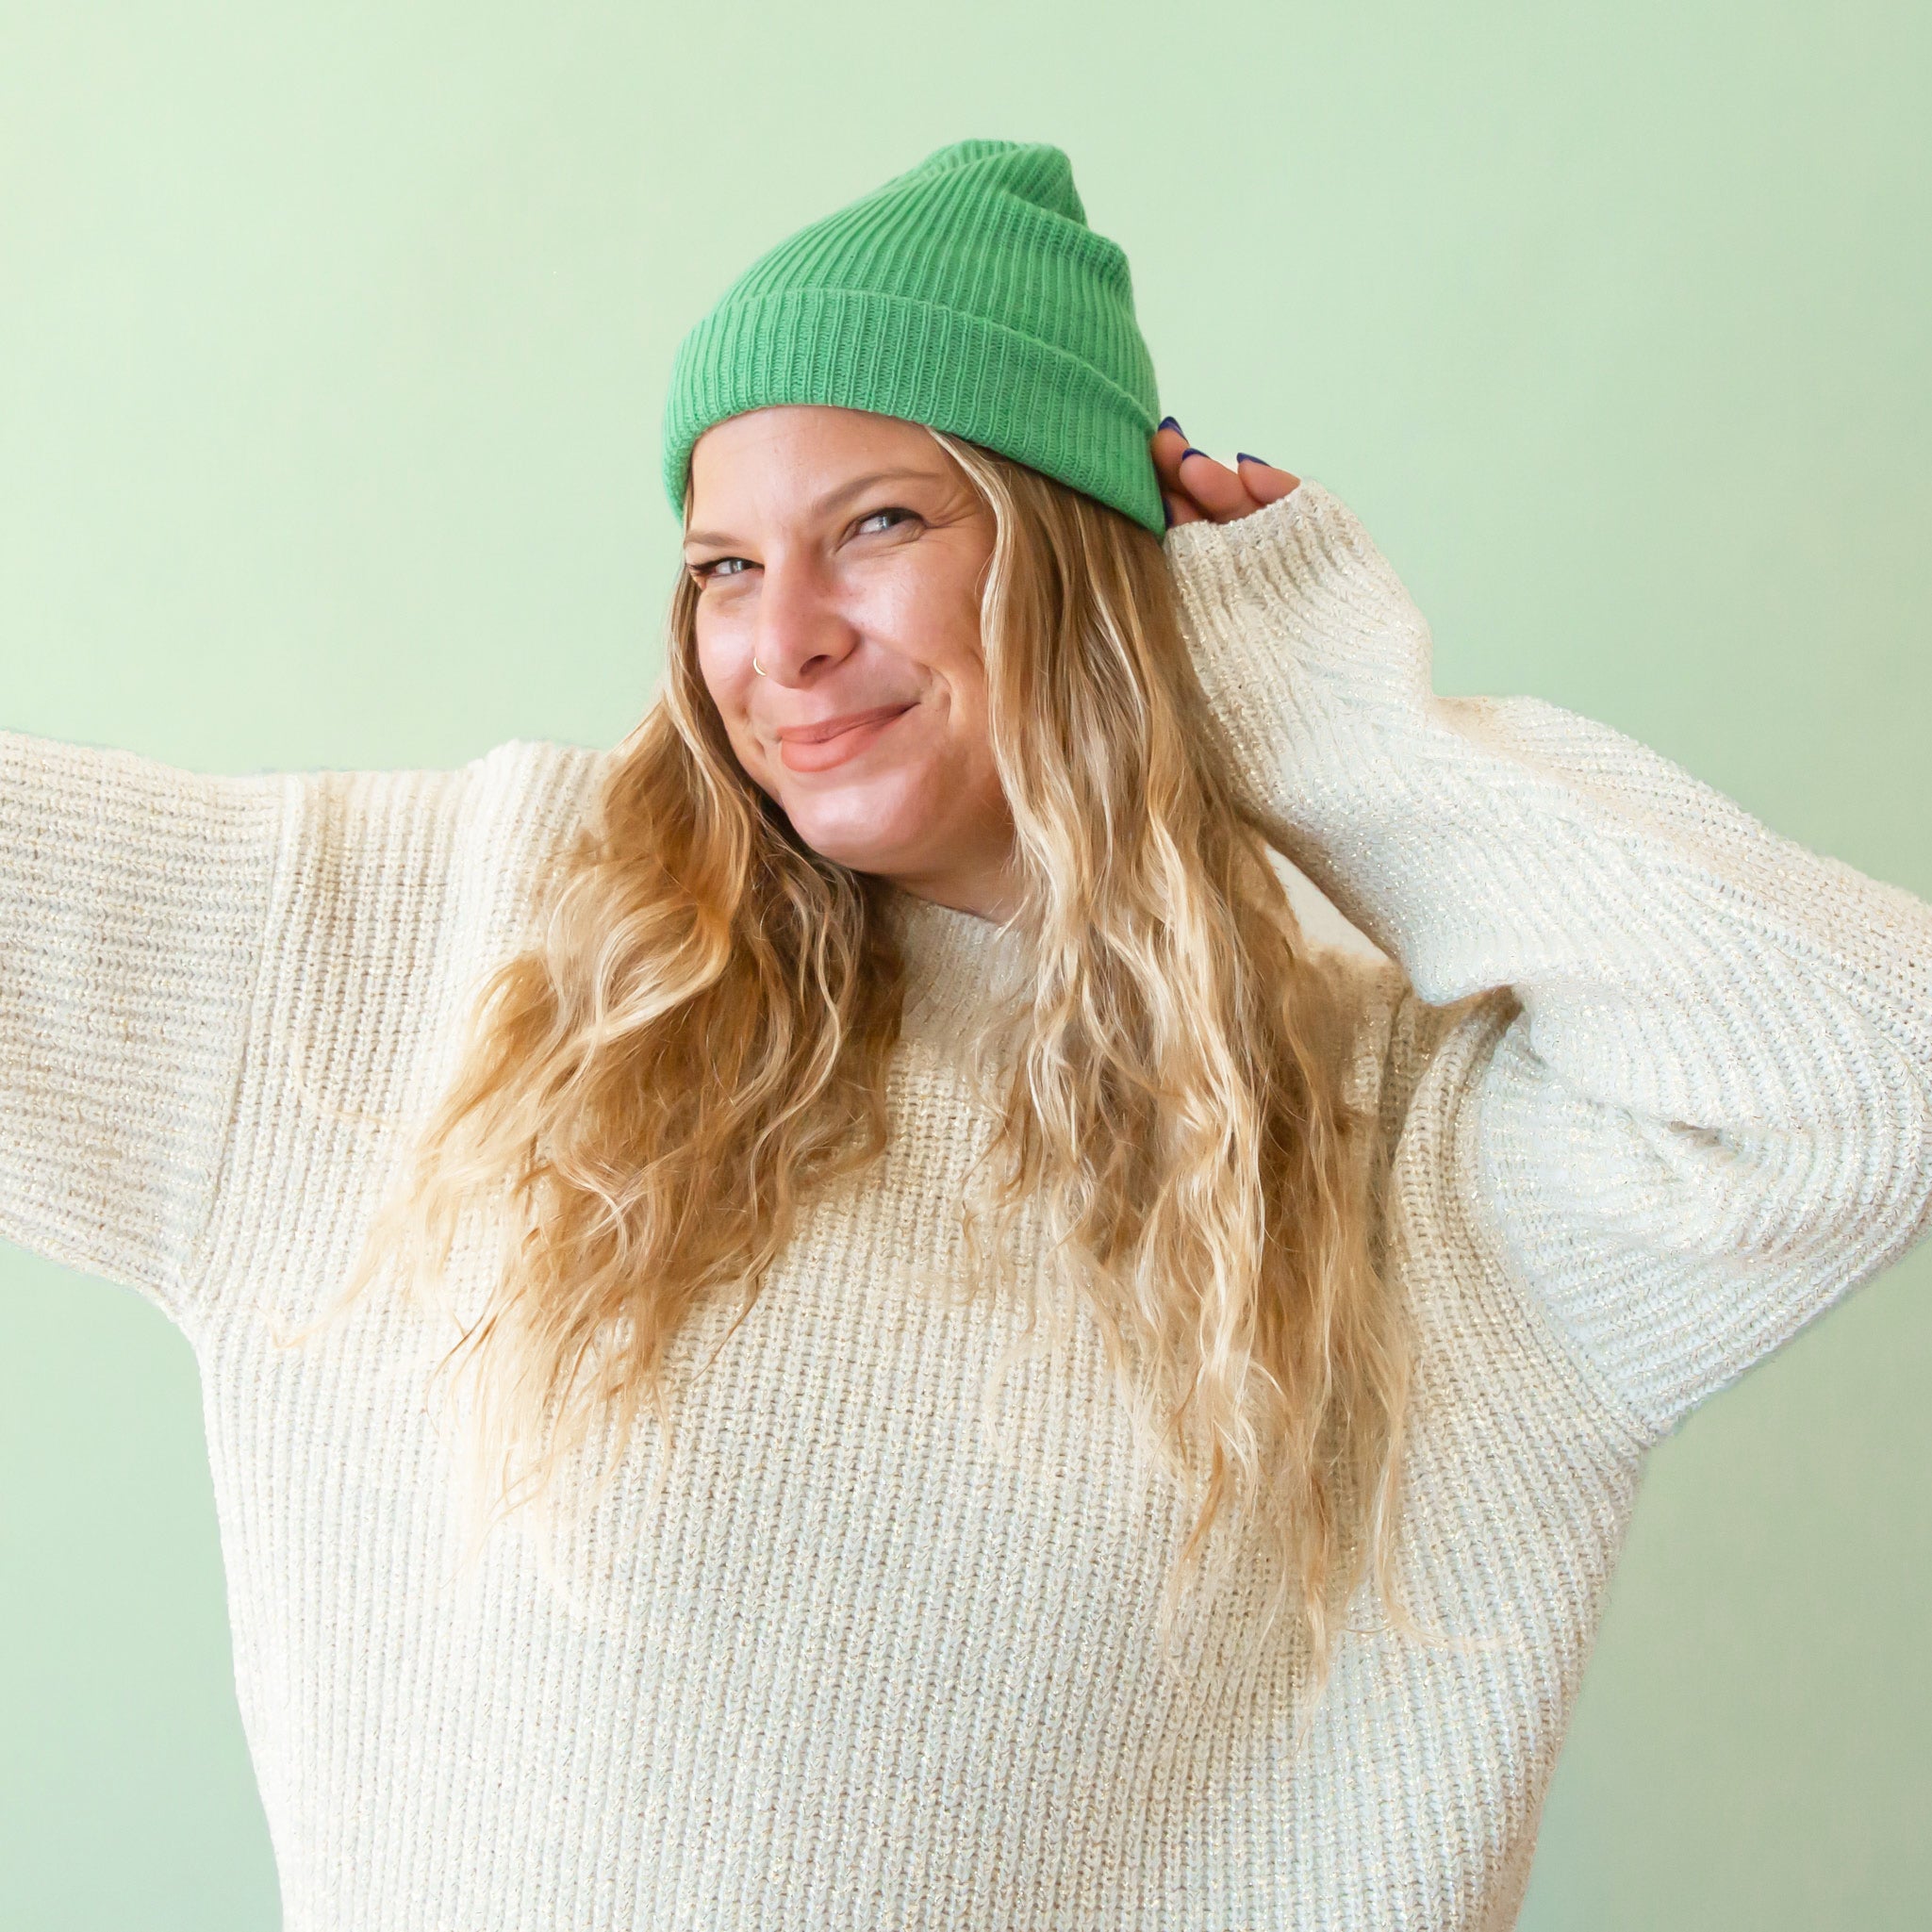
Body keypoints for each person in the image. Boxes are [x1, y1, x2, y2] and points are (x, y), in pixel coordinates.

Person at [2, 135, 1927, 1931]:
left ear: (1078, 561)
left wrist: (1324, 714)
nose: (781, 639)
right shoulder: (466, 945)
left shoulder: (1384, 1149)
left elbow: (1868, 1077)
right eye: (722, 565)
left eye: (876, 525)